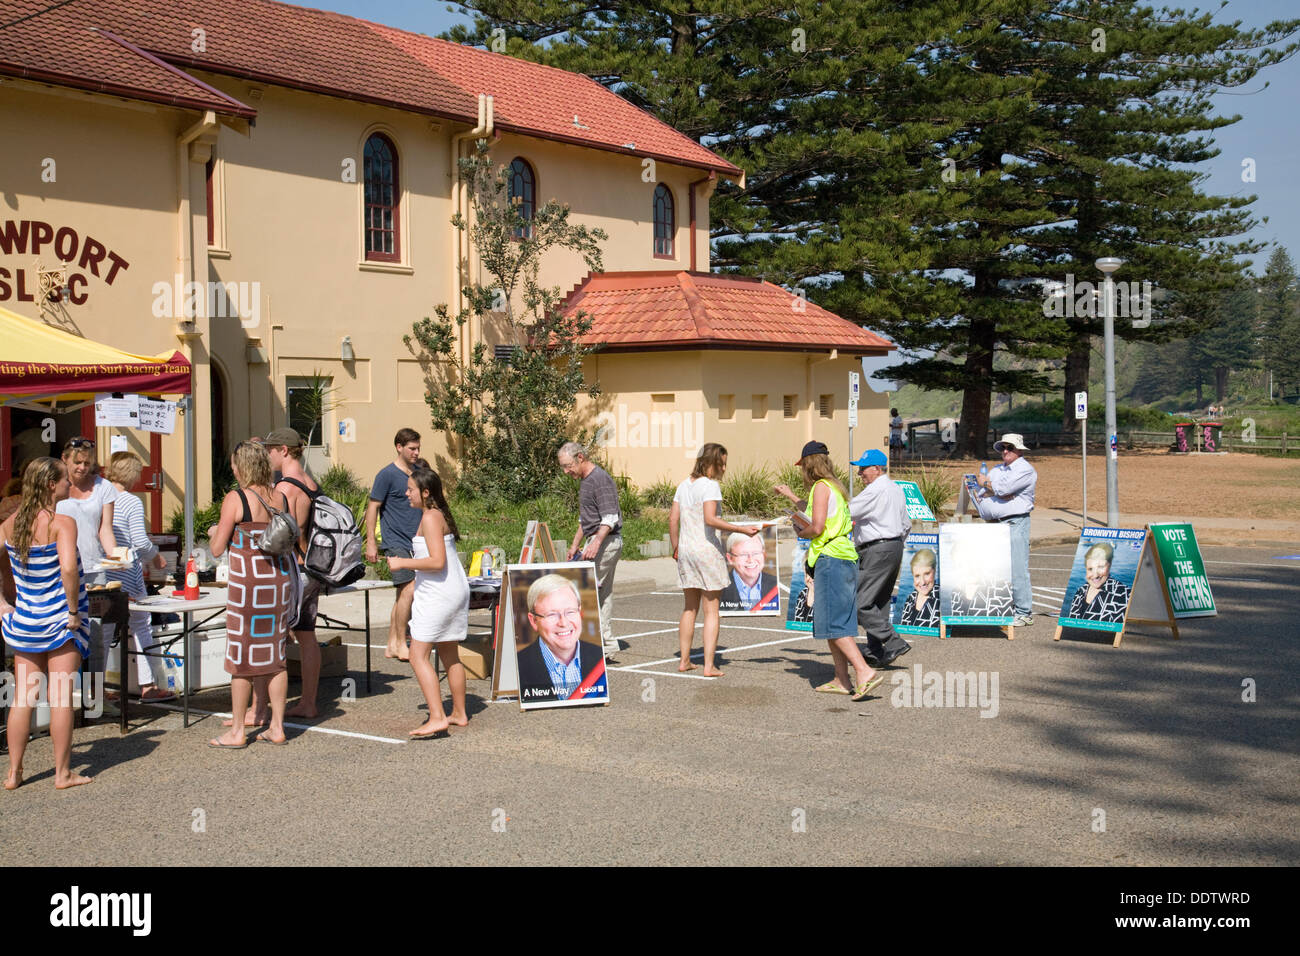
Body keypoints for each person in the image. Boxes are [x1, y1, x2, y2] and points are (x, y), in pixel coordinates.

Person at [1, 458, 93, 790]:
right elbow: (69, 568)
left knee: (23, 696)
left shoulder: (11, 524)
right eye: (66, 480)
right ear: (51, 485)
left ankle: (14, 772)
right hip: (59, 622)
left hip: (26, 621)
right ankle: (62, 773)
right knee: (60, 696)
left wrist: (2, 605)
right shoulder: (62, 522)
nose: (70, 484)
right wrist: (72, 612)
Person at [207, 441, 300, 748]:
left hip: (248, 586)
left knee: (241, 657)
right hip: (277, 583)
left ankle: (236, 731)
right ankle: (276, 726)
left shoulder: (237, 498)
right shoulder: (280, 497)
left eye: (234, 463)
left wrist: (213, 532)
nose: (232, 468)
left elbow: (217, 548)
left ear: (241, 466)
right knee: (275, 657)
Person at [775, 441, 882, 701]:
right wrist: (792, 498)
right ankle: (841, 679)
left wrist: (800, 530)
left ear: (809, 465)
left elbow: (818, 526)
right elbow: (819, 514)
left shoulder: (820, 488)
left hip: (830, 558)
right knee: (835, 621)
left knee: (832, 622)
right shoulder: (834, 487)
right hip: (843, 556)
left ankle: (863, 671)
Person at [387, 467, 470, 737]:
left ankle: (437, 717)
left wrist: (402, 562)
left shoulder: (432, 517)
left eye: (410, 489)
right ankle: (458, 712)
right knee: (448, 653)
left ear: (425, 492)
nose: (406, 493)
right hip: (450, 591)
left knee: (416, 654)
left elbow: (437, 561)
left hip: (439, 595)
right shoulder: (433, 514)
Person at [669, 443, 761, 675]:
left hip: (687, 550)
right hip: (707, 549)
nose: (724, 468)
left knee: (689, 608)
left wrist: (676, 547)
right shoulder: (710, 486)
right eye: (722, 463)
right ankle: (709, 666)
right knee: (711, 610)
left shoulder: (683, 485)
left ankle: (684, 661)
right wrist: (740, 530)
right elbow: (710, 519)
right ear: (712, 463)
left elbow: (672, 520)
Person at [103, 452, 172, 701]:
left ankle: (99, 686)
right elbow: (141, 541)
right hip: (128, 573)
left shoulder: (100, 495)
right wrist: (155, 557)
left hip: (104, 570)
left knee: (105, 629)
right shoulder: (130, 501)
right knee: (141, 626)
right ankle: (148, 685)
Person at [265, 428, 323, 719]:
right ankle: (308, 701)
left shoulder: (284, 488)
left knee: (275, 637)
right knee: (307, 635)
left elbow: (280, 536)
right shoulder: (311, 482)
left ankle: (268, 709)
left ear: (284, 451)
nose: (268, 455)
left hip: (294, 569)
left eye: (271, 449)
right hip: (313, 568)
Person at [557, 441, 622, 658]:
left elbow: (610, 517)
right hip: (598, 540)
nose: (566, 471)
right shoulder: (586, 481)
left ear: (580, 458)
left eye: (568, 466)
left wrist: (595, 543)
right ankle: (606, 647)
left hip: (606, 542)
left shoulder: (600, 480)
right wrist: (576, 544)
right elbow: (586, 519)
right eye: (563, 467)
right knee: (600, 594)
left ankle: (596, 646)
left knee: (589, 593)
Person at [848, 449, 912, 666]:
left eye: (863, 469)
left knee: (860, 602)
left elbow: (848, 512)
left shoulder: (874, 490)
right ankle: (876, 650)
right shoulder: (895, 489)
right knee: (879, 601)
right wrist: (894, 544)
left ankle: (892, 641)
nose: (860, 473)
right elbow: (906, 524)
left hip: (877, 548)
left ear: (876, 469)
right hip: (894, 546)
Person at [364, 428, 422, 662]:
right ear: (399, 447)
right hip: (395, 541)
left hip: (417, 542)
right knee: (408, 590)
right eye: (412, 449)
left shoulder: (418, 473)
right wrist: (371, 543)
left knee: (402, 595)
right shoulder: (387, 474)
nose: (416, 453)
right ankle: (400, 642)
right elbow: (373, 507)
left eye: (418, 448)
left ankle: (391, 643)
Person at [974, 432, 1037, 626]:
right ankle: (1003, 605)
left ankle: (1024, 611)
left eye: (1009, 447)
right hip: (996, 522)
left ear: (1019, 450)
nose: (1005, 451)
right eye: (1003, 448)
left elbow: (1001, 490)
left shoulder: (1025, 470)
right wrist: (991, 487)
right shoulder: (998, 469)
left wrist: (989, 485)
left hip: (1015, 522)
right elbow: (982, 492)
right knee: (996, 567)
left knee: (1017, 568)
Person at [515, 573, 607, 703]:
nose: (563, 623)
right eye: (552, 615)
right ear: (533, 621)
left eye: (570, 612)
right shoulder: (519, 666)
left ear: (580, 613)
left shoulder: (599, 659)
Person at [55, 437, 118, 587]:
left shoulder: (103, 486)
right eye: (77, 462)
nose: (82, 468)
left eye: (87, 463)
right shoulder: (54, 485)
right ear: (64, 458)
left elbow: (105, 529)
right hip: (59, 566)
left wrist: (115, 557)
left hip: (93, 567)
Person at [1067, 542, 1131, 624]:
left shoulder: (1123, 593)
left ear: (1110, 565)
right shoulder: (1080, 591)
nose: (1095, 575)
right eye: (1090, 569)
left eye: (1100, 567)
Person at [946, 539, 1013, 617]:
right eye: (960, 565)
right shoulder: (956, 592)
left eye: (970, 562)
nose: (968, 569)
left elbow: (1007, 624)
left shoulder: (1002, 587)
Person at [718, 531, 779, 613]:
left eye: (756, 553)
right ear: (730, 558)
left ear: (764, 555)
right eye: (743, 554)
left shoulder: (776, 586)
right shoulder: (719, 589)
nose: (750, 560)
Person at [899, 548, 939, 629]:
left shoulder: (941, 598)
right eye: (917, 576)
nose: (922, 582)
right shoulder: (910, 598)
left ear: (934, 571)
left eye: (927, 574)